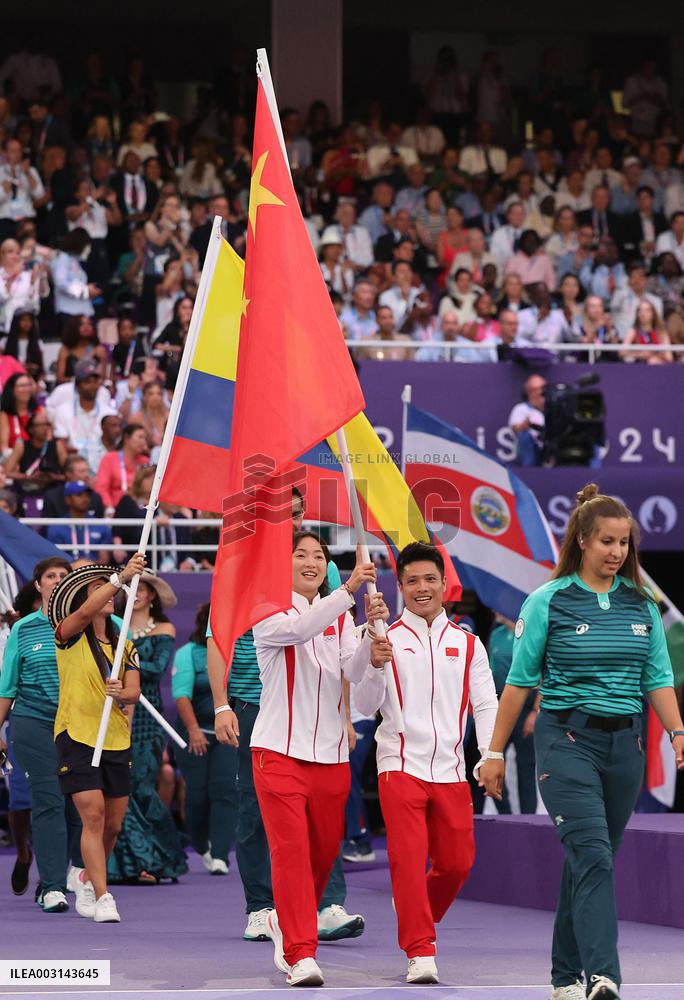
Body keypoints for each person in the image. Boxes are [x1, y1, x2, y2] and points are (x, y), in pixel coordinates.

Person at [479, 485, 684, 1000]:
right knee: (592, 856)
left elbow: (658, 676)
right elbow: (520, 683)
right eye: (607, 541)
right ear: (583, 542)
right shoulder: (548, 602)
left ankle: (564, 976)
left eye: (623, 543)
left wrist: (678, 732)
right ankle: (604, 976)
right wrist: (494, 751)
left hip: (625, 749)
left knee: (591, 861)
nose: (616, 552)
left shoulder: (641, 604)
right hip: (565, 742)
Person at [353, 542, 498, 984]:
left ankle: (414, 906)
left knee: (457, 864)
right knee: (406, 860)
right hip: (399, 764)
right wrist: (373, 664)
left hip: (452, 770)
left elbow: (486, 704)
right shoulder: (382, 637)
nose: (421, 588)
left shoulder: (469, 644)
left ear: (444, 585)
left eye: (429, 579)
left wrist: (490, 756)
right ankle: (420, 949)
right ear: (399, 586)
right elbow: (362, 704)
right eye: (412, 580)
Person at [48, 555, 144, 923]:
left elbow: (134, 691)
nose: (108, 594)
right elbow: (87, 613)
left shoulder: (124, 643)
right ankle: (104, 897)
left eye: (108, 589)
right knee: (93, 815)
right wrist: (119, 578)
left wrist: (122, 693)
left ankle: (89, 877)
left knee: (113, 825)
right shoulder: (68, 632)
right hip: (76, 733)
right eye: (97, 589)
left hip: (116, 738)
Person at [0, 557, 85, 913]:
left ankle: (70, 874)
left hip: (79, 723)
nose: (57, 580)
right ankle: (51, 886)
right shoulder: (23, 629)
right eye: (50, 576)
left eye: (64, 576)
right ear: (38, 585)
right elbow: (7, 686)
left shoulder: (92, 623)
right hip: (33, 722)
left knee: (78, 806)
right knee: (48, 799)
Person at [108, 571, 187, 884]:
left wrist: (124, 661)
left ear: (153, 596)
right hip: (116, 713)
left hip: (147, 718)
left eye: (143, 589)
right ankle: (133, 860)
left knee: (141, 787)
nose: (137, 594)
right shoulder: (116, 627)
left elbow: (156, 669)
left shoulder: (164, 628)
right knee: (120, 790)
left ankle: (163, 855)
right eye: (131, 589)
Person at [172, 602, 236, 875]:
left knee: (225, 791)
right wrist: (194, 730)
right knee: (196, 795)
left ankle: (221, 853)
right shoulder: (188, 653)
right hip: (194, 732)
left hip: (229, 733)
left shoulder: (238, 650)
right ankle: (200, 844)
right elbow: (181, 695)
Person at [46, 480, 113, 562]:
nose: (85, 499)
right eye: (79, 495)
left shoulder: (101, 526)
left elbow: (104, 560)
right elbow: (56, 560)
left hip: (94, 572)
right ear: (68, 499)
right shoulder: (57, 527)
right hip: (68, 573)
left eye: (87, 495)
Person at [95, 424, 149, 516]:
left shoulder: (145, 461)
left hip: (140, 510)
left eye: (145, 438)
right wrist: (109, 507)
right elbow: (102, 488)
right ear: (127, 438)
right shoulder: (109, 459)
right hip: (116, 511)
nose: (143, 442)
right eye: (140, 437)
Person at [509, 373, 546, 467]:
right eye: (535, 389)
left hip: (550, 446)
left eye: (542, 389)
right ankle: (529, 470)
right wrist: (525, 425)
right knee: (524, 435)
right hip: (533, 448)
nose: (539, 392)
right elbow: (515, 428)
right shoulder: (521, 409)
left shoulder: (554, 408)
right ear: (528, 392)